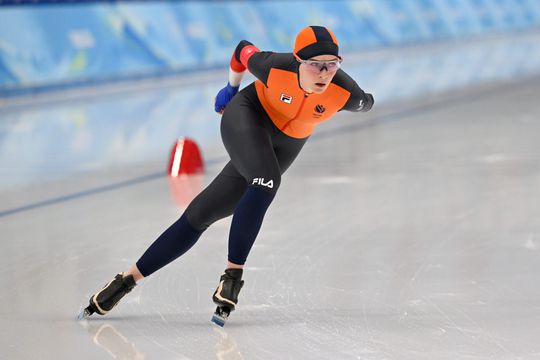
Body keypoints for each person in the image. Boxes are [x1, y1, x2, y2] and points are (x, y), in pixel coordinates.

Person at [79, 25, 374, 322]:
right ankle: (232, 276)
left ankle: (125, 281)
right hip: (248, 116)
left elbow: (366, 102)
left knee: (200, 214)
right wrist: (231, 88)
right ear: (298, 60)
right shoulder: (273, 67)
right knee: (267, 179)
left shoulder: (347, 93)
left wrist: (365, 101)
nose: (324, 73)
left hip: (288, 143)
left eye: (331, 64)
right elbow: (242, 49)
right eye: (315, 65)